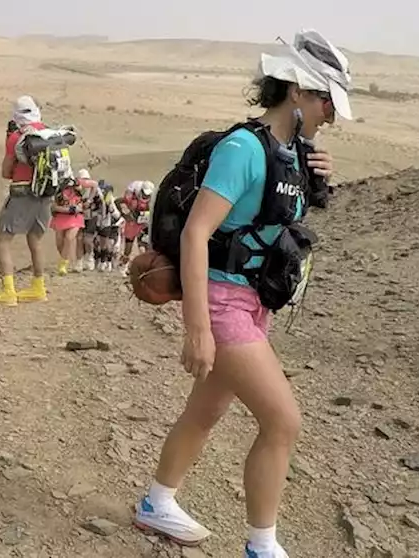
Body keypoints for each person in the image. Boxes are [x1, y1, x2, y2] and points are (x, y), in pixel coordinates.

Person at [132, 29, 349, 558]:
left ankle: (157, 503)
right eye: (326, 100)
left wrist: (318, 178)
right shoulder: (242, 149)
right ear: (297, 91)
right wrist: (198, 328)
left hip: (254, 303)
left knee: (205, 411)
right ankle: (263, 546)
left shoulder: (291, 153)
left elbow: (275, 219)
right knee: (282, 421)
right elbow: (195, 233)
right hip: (224, 304)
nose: (332, 114)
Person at [0, 95, 52, 305]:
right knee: (35, 239)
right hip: (45, 193)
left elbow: (6, 172)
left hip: (22, 191)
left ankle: (9, 292)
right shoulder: (49, 133)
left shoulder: (16, 137)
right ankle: (39, 287)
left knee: (3, 239)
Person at [49, 173, 86, 276]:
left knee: (69, 238)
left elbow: (80, 206)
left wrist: (76, 209)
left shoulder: (79, 192)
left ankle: (63, 264)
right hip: (61, 217)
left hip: (75, 218)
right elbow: (54, 207)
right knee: (59, 242)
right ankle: (65, 258)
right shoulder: (58, 193)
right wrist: (68, 209)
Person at [119, 179, 154, 265]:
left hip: (144, 223)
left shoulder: (153, 198)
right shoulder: (132, 193)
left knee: (144, 246)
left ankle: (144, 265)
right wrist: (127, 215)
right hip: (132, 222)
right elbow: (121, 203)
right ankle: (123, 265)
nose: (145, 196)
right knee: (128, 248)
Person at [91, 181, 123, 271]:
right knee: (94, 242)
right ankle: (95, 260)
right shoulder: (94, 197)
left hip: (106, 223)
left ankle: (103, 261)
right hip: (95, 221)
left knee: (104, 243)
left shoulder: (111, 200)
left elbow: (117, 215)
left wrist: (111, 210)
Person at [75, 168, 98, 271]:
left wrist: (89, 200)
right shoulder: (76, 190)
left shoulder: (96, 192)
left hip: (91, 217)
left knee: (87, 240)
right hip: (79, 216)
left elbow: (94, 184)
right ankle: (79, 261)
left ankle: (90, 257)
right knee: (79, 239)